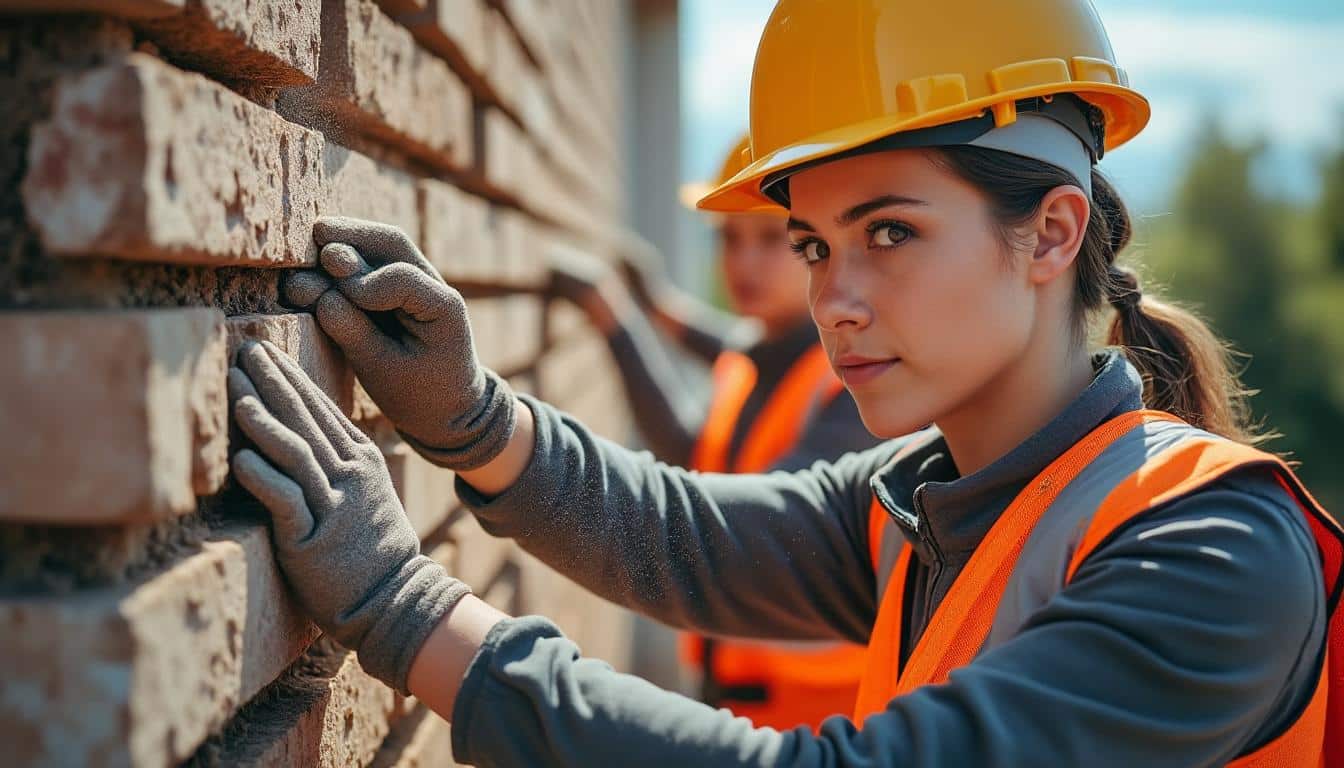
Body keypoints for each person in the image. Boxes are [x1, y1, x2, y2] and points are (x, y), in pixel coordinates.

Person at [235, 0, 1342, 764]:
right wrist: (475, 421)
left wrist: (403, 608)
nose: (833, 300)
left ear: (1051, 233)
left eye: (891, 231)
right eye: (814, 243)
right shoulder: (938, 488)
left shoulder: (1215, 557)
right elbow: (687, 540)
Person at [545, 134, 879, 730]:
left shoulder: (854, 392)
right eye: (728, 239)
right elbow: (707, 427)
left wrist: (616, 316)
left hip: (817, 722)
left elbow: (739, 531)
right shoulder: (764, 356)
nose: (742, 265)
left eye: (773, 241)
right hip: (742, 696)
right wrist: (656, 305)